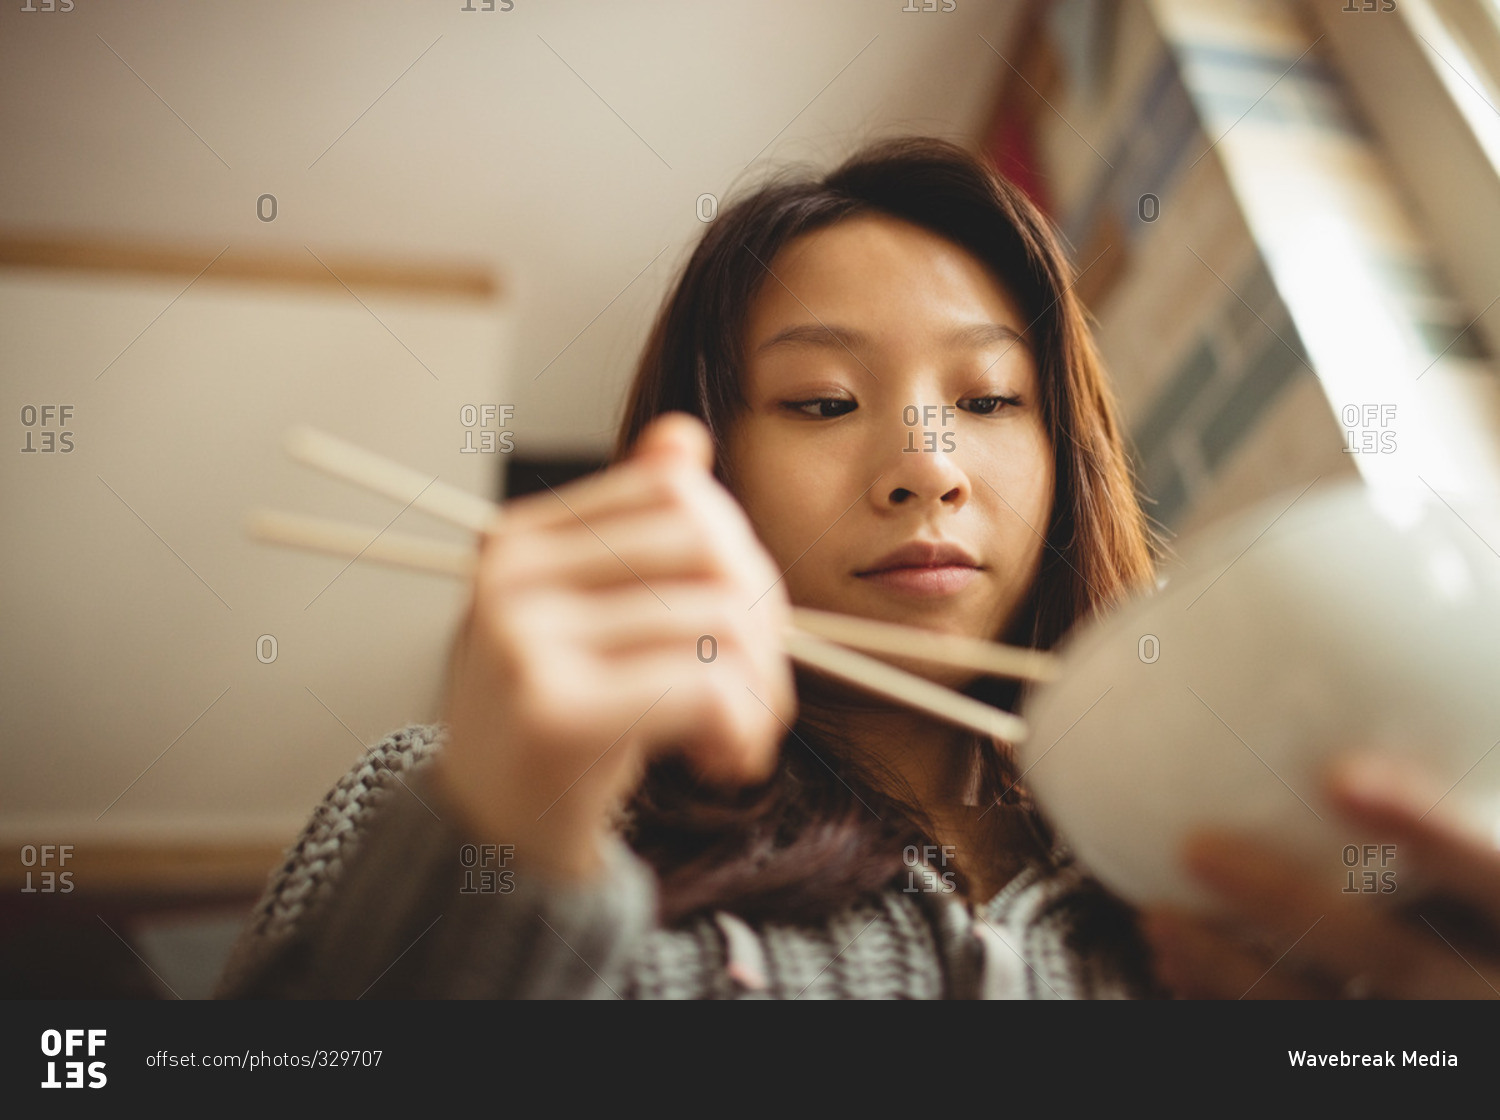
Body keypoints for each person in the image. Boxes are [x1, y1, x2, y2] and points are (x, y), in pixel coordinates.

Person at [214, 135, 1499, 1000]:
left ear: (1068, 461)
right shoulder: (480, 808)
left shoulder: (1239, 878)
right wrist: (501, 835)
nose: (925, 466)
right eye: (823, 402)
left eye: (990, 399)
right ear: (709, 464)